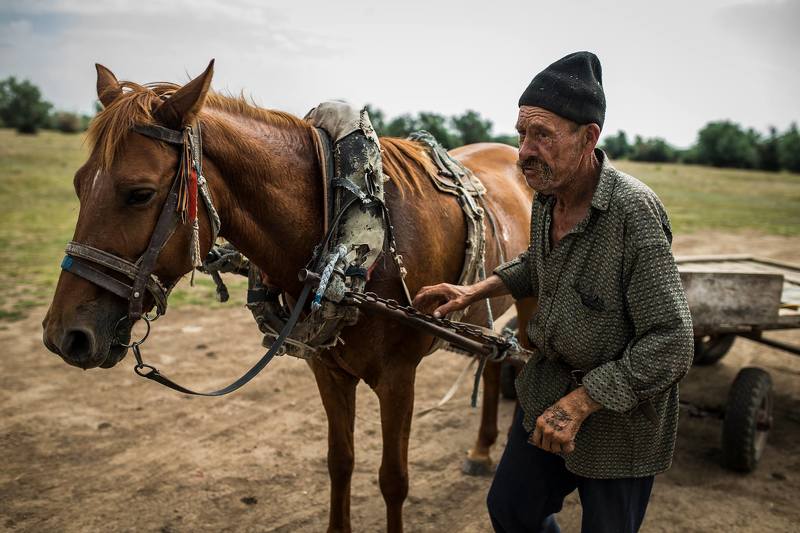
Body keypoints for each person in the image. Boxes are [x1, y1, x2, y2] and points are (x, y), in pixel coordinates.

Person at [412, 51, 694, 533]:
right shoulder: (547, 196)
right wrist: (474, 290)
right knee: (511, 510)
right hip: (546, 391)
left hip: (618, 421)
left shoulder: (633, 214)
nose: (524, 151)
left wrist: (582, 402)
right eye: (522, 133)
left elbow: (672, 342)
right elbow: (537, 264)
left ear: (588, 138)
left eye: (542, 135)